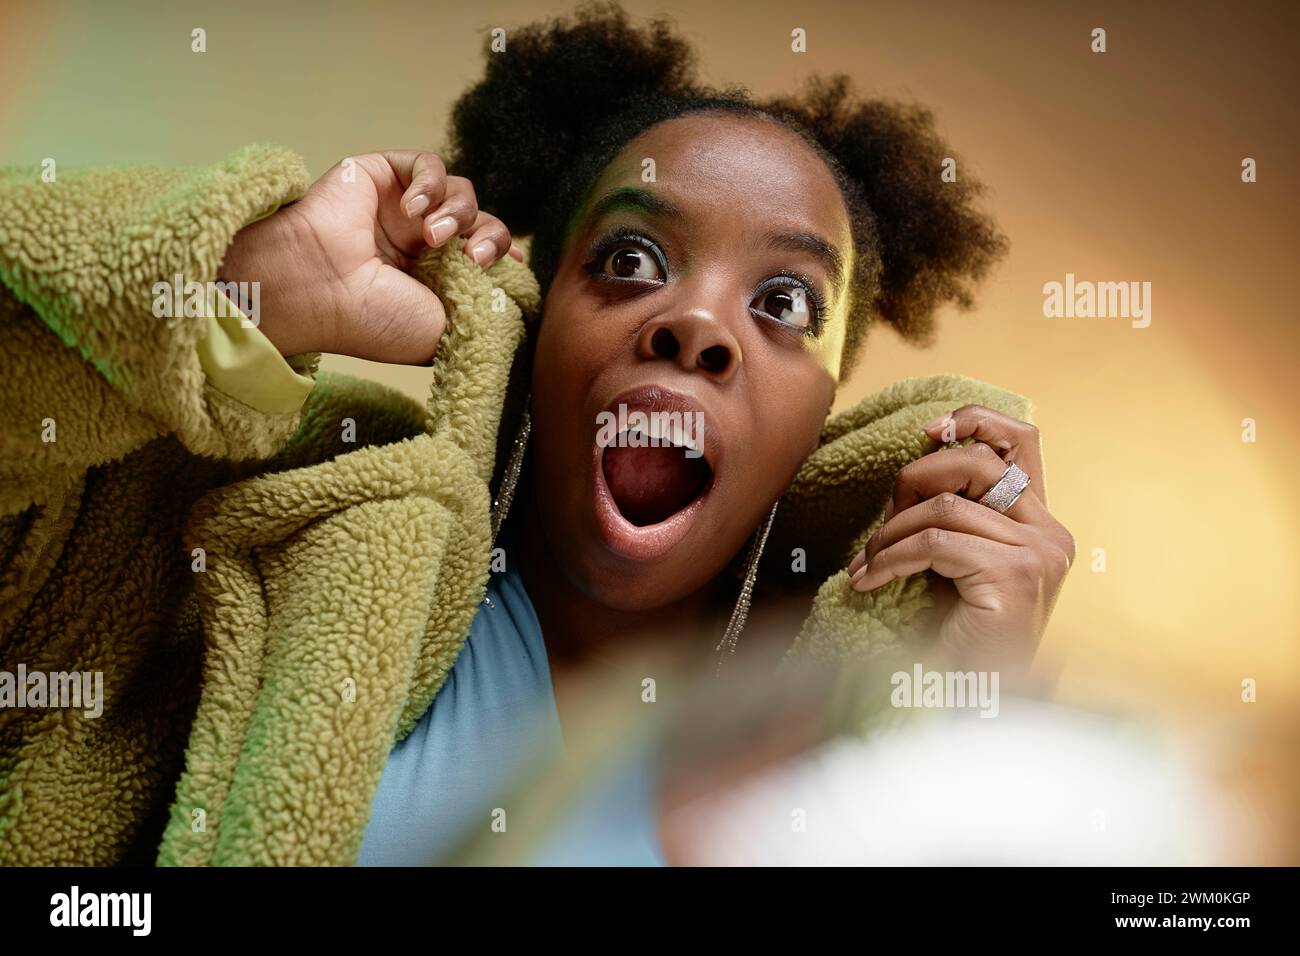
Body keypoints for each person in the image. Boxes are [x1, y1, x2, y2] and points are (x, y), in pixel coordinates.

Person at [0, 2, 1073, 866]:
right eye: (632, 260)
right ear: (532, 312)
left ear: (819, 420)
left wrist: (968, 711)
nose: (696, 324)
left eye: (783, 303)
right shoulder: (264, 516)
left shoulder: (840, 730)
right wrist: (261, 280)